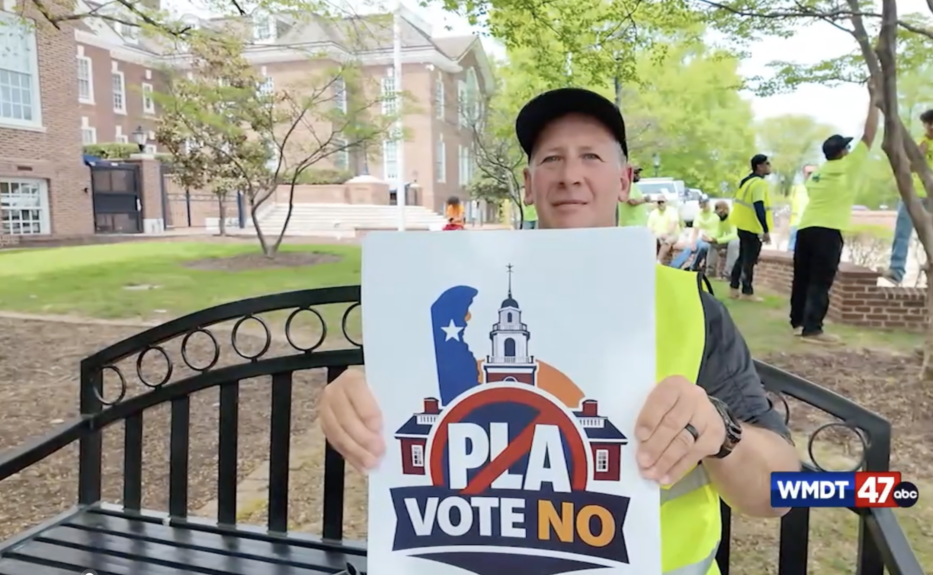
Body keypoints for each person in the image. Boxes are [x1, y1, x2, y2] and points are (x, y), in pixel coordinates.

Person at [318, 87, 800, 575]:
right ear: (529, 185)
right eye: (552, 159)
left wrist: (722, 432)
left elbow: (778, 493)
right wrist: (356, 401)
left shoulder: (690, 308)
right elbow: (404, 414)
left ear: (624, 180)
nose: (570, 174)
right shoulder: (457, 298)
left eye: (591, 156)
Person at [790, 85, 880, 344]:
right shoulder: (848, 166)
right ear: (842, 152)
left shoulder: (817, 174)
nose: (850, 151)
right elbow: (869, 134)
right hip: (828, 231)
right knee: (821, 280)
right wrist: (874, 99)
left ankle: (798, 322)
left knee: (802, 278)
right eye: (847, 148)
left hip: (806, 228)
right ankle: (813, 329)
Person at [880, 108, 933, 285]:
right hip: (914, 194)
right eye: (929, 123)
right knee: (902, 233)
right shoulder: (919, 143)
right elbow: (905, 168)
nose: (932, 127)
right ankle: (896, 271)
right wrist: (918, 155)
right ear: (924, 125)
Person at [729, 154, 773, 302]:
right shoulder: (759, 183)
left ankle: (733, 288)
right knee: (749, 260)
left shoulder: (747, 181)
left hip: (742, 225)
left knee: (742, 258)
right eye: (767, 163)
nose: (769, 166)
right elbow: (759, 206)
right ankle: (747, 292)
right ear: (759, 166)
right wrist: (765, 229)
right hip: (753, 227)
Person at [673, 199, 714, 270]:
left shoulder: (714, 214)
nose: (703, 205)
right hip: (702, 239)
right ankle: (674, 266)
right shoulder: (699, 214)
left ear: (708, 203)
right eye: (701, 203)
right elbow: (695, 230)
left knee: (702, 247)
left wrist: (710, 239)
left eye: (705, 203)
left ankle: (693, 267)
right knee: (689, 247)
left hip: (712, 240)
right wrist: (693, 242)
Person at [706, 201, 740, 279]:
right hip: (729, 239)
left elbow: (735, 234)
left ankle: (728, 274)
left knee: (733, 244)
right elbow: (719, 233)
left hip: (738, 239)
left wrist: (718, 240)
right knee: (713, 245)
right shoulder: (721, 219)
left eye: (720, 212)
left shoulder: (732, 217)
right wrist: (712, 238)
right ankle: (710, 272)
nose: (718, 215)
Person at [647, 195, 683, 264]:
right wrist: (658, 234)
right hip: (658, 234)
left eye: (662, 202)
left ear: (666, 202)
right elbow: (649, 228)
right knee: (652, 241)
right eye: (659, 202)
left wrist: (666, 233)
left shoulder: (672, 211)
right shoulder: (653, 213)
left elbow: (673, 224)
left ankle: (658, 261)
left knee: (667, 241)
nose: (661, 204)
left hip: (672, 234)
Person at [787, 165, 815, 251]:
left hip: (812, 223)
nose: (811, 175)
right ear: (804, 173)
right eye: (809, 173)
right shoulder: (796, 188)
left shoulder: (819, 189)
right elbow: (791, 203)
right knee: (792, 247)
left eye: (813, 173)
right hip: (796, 222)